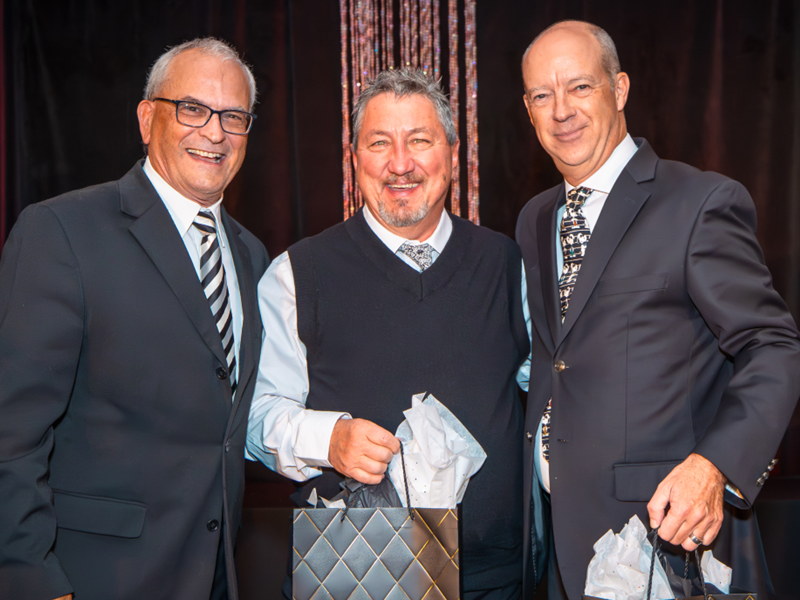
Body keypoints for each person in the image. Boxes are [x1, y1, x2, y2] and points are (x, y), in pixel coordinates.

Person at [515, 20, 800, 600]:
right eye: (542, 95)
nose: (561, 110)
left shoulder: (699, 202)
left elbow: (771, 347)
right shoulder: (535, 218)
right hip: (554, 541)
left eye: (580, 88)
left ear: (619, 90)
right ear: (528, 111)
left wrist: (715, 464)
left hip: (667, 542)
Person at [0, 38, 269, 600]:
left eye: (234, 117)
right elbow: (12, 432)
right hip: (94, 580)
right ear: (148, 119)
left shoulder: (252, 256)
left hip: (217, 579)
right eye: (192, 109)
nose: (214, 132)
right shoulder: (62, 232)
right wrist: (33, 581)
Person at [246, 69, 530, 599]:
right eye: (380, 143)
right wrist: (328, 439)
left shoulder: (508, 264)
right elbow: (256, 417)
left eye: (419, 141)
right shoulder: (296, 274)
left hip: (495, 577)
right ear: (355, 158)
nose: (401, 164)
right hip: (356, 573)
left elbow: (553, 393)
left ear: (451, 150)